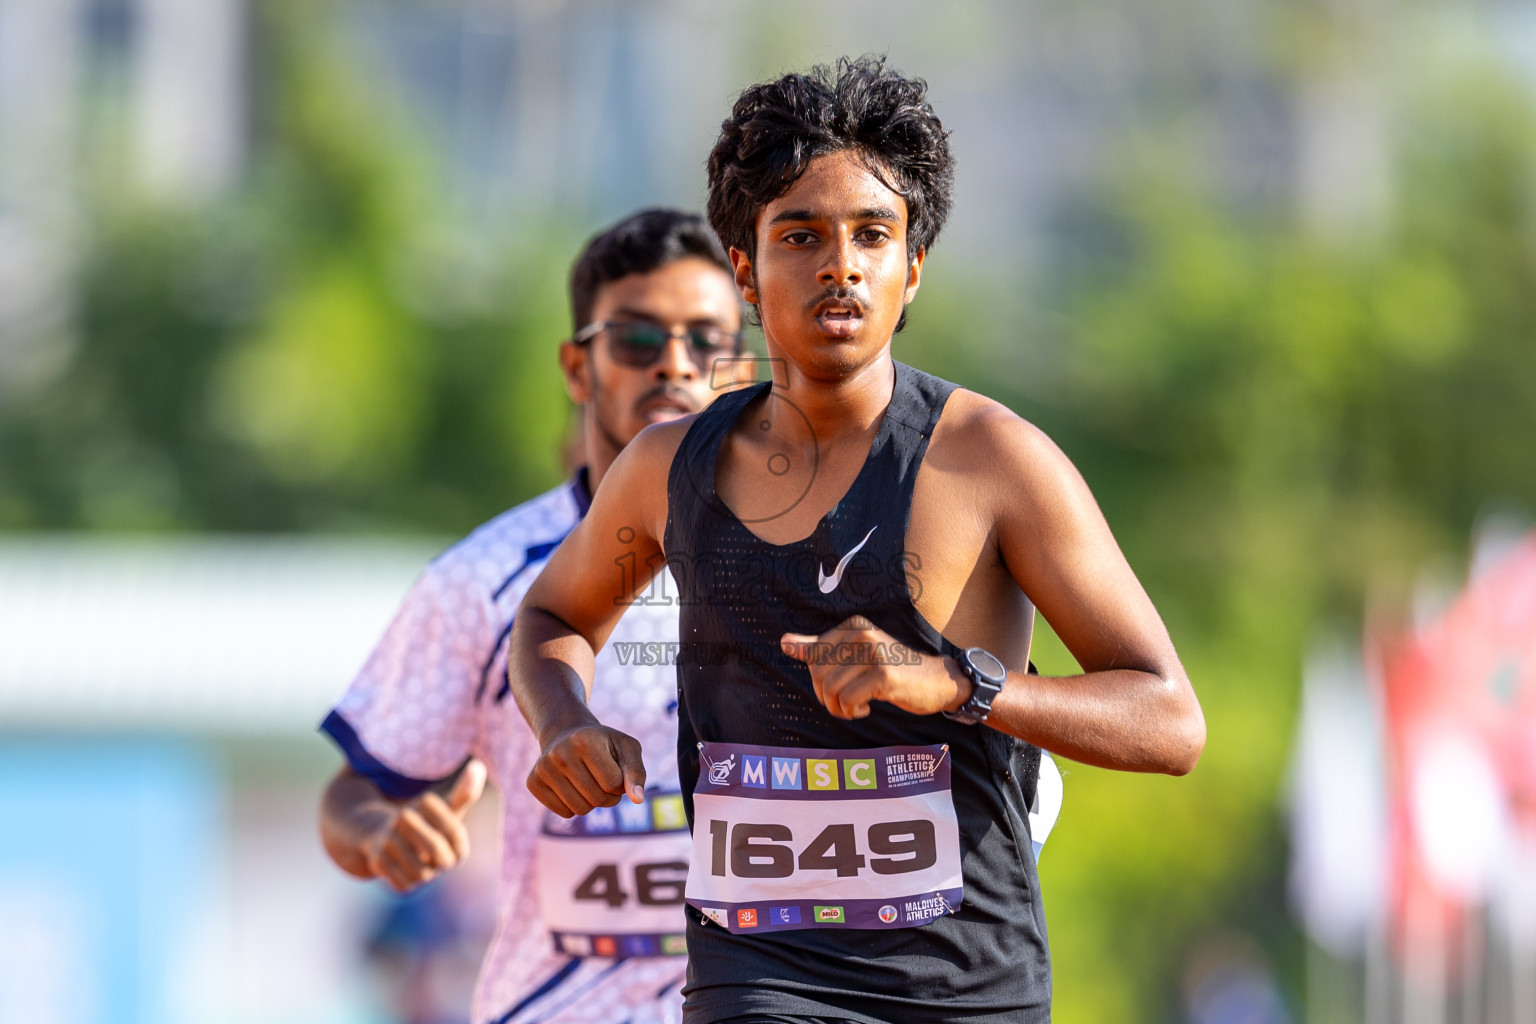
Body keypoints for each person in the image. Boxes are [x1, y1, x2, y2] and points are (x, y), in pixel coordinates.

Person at [507, 57, 1204, 1024]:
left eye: (872, 235)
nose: (840, 264)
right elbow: (552, 611)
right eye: (801, 235)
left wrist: (959, 682)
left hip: (961, 983)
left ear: (910, 266)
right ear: (745, 269)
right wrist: (564, 722)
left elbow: (1170, 720)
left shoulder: (994, 461)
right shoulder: (670, 468)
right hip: (759, 973)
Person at [319, 208, 755, 1024]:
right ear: (577, 367)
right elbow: (351, 798)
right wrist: (384, 831)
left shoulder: (809, 560)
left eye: (706, 340)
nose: (673, 364)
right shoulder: (482, 579)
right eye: (635, 339)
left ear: (737, 367)